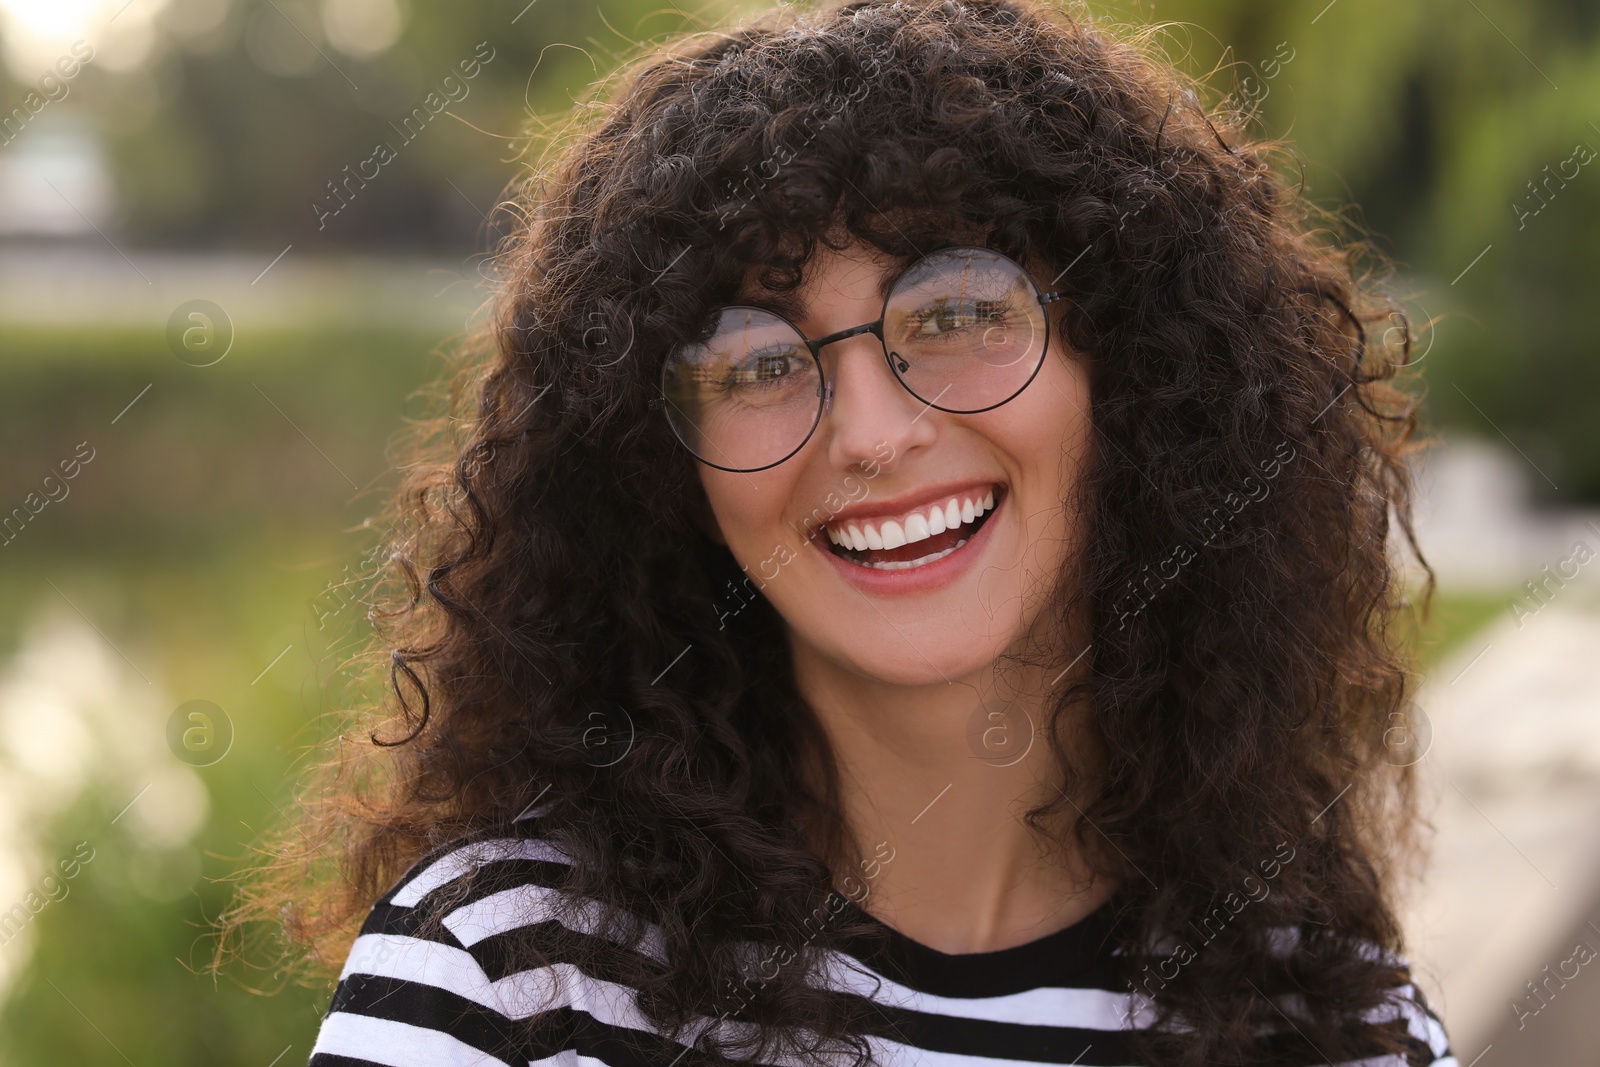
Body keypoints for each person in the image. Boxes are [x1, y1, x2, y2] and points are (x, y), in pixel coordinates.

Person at [229, 0, 1455, 1064]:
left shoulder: (1337, 1028)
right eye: (751, 358)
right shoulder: (509, 986)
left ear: (1136, 379)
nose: (869, 432)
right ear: (665, 475)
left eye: (961, 307)